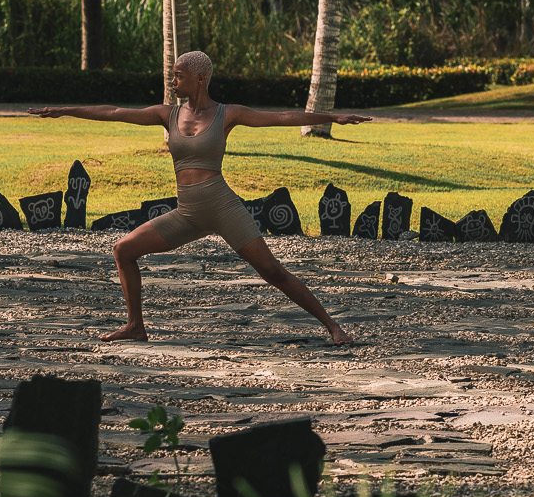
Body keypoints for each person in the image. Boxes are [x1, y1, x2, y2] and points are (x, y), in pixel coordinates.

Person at [27, 51, 371, 345]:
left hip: (222, 207)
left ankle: (333, 327)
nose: (173, 81)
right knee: (123, 249)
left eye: (179, 76)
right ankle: (135, 326)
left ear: (200, 79)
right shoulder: (168, 114)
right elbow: (114, 112)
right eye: (173, 76)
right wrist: (65, 110)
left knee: (273, 272)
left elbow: (282, 117)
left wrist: (332, 117)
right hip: (188, 213)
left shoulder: (228, 114)